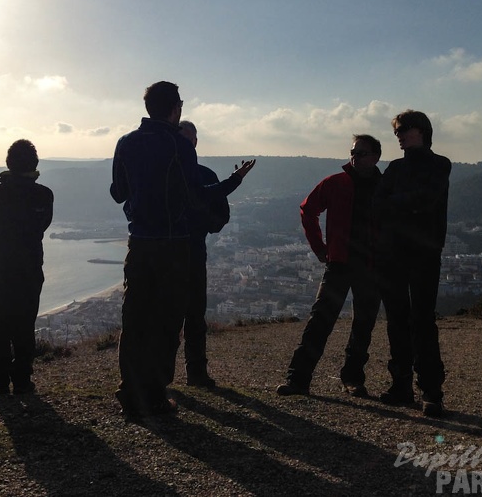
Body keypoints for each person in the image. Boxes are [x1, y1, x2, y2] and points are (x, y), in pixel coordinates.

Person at [110, 81, 255, 419]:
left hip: (139, 243)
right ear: (176, 109)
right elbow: (196, 197)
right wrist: (234, 182)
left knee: (134, 319)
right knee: (166, 321)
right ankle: (155, 396)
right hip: (173, 246)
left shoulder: (126, 143)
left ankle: (129, 393)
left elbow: (118, 193)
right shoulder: (179, 144)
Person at [277, 134, 382, 397]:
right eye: (353, 152)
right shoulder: (336, 183)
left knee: (363, 325)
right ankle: (298, 379)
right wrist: (320, 248)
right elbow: (307, 210)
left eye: (362, 153)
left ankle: (353, 379)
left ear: (376, 156)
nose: (355, 157)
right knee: (320, 321)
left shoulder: (385, 186)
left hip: (371, 265)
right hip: (340, 262)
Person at [375, 109, 451, 417]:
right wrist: (406, 204)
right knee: (397, 320)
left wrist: (396, 204)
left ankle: (431, 391)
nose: (399, 136)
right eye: (397, 132)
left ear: (422, 130)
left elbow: (425, 200)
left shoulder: (440, 164)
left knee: (421, 320)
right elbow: (378, 205)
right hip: (395, 253)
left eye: (404, 130)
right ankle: (402, 386)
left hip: (423, 254)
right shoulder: (394, 168)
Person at [0, 139, 54, 395]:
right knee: (24, 323)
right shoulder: (44, 195)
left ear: (9, 163)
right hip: (29, 266)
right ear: (34, 164)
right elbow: (42, 224)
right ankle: (22, 379)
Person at [178, 120, 231, 388]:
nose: (187, 144)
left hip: (193, 249)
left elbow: (222, 216)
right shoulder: (166, 173)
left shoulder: (206, 175)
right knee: (164, 314)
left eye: (190, 139)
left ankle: (196, 372)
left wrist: (202, 222)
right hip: (166, 249)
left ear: (196, 142)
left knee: (195, 314)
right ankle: (158, 375)